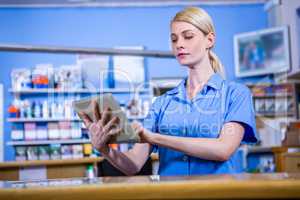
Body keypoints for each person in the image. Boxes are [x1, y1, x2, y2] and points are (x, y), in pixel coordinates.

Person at [79, 7, 258, 176]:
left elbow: (223, 149)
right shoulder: (162, 103)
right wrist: (104, 149)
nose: (179, 44)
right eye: (174, 39)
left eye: (188, 36)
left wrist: (156, 138)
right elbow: (133, 164)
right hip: (172, 193)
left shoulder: (236, 94)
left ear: (209, 40)